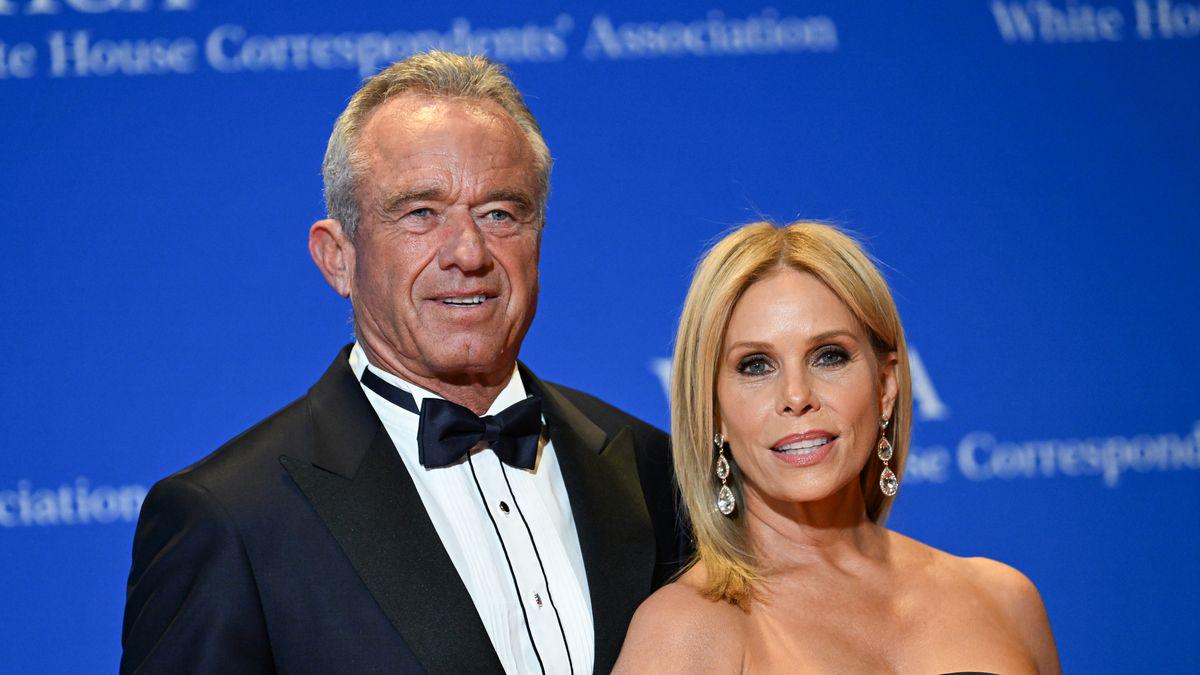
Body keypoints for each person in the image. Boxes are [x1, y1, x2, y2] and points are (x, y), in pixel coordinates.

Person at [120, 51, 686, 674]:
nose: (468, 252)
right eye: (421, 213)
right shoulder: (229, 517)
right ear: (338, 257)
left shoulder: (651, 469)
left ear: (538, 238)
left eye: (500, 213)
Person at [615, 221, 1059, 673]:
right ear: (713, 411)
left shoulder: (1005, 598)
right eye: (755, 365)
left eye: (829, 356)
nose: (796, 396)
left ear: (886, 385)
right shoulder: (686, 628)